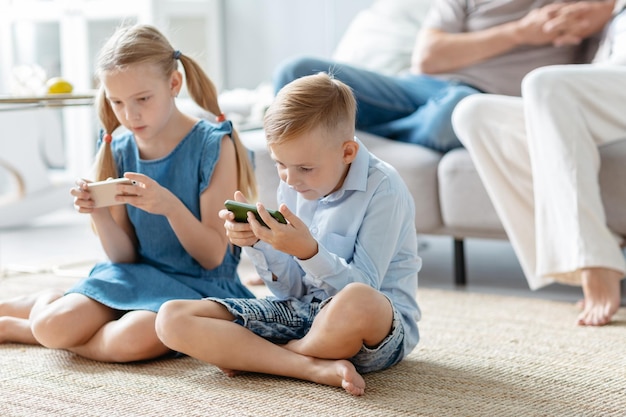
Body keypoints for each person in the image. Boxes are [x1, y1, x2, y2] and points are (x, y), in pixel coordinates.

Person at [0, 24, 257, 361]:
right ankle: (49, 310)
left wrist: (169, 206)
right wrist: (99, 212)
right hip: (134, 275)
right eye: (117, 102)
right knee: (53, 326)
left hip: (196, 287)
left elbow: (212, 257)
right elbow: (123, 258)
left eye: (142, 99)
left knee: (131, 340)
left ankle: (20, 328)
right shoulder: (119, 147)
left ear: (174, 84)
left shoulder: (214, 145)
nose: (129, 114)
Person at [155, 73, 421, 396]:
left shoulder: (384, 189)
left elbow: (365, 287)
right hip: (303, 314)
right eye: (280, 164)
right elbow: (290, 292)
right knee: (171, 318)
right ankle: (309, 366)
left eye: (305, 168)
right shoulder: (295, 180)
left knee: (358, 299)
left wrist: (309, 251)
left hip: (376, 334)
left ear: (347, 152)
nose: (291, 180)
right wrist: (259, 243)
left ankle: (268, 357)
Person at [452, 3, 626, 326]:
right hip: (611, 75)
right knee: (473, 114)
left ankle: (595, 260)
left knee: (544, 84)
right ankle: (578, 254)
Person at [273, 0, 615, 153]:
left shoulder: (579, 6)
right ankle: (399, 131)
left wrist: (605, 10)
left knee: (456, 110)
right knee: (296, 71)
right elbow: (427, 58)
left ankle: (361, 132)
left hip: (478, 102)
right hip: (417, 87)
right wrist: (522, 32)